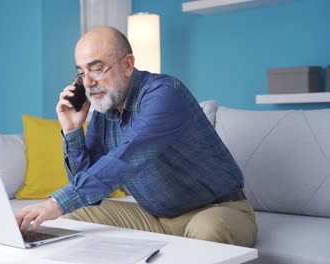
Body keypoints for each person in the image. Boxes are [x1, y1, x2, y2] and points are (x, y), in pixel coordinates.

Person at [16, 26, 258, 247]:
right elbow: (87, 185)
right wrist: (72, 130)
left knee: (210, 231)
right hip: (156, 217)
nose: (88, 83)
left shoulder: (165, 94)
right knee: (73, 216)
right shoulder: (104, 111)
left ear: (128, 65)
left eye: (97, 69)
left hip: (215, 210)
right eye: (81, 72)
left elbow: (127, 157)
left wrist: (56, 202)